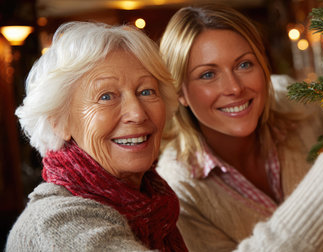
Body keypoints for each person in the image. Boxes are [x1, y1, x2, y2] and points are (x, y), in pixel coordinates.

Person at [156, 4, 323, 252]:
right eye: (208, 74)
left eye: (244, 64)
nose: (235, 87)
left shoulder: (294, 101)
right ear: (179, 92)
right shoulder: (177, 193)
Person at [6, 21, 187, 251]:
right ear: (59, 121)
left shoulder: (154, 206)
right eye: (106, 96)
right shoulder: (58, 224)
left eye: (146, 91)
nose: (137, 113)